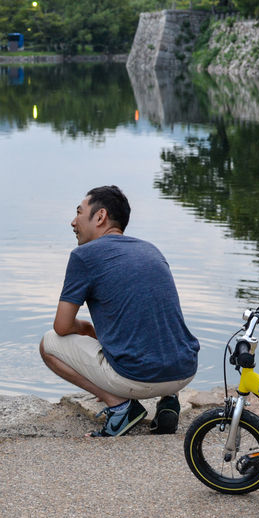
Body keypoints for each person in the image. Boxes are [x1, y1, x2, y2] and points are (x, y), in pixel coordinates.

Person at [39, 185, 199, 437]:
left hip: (136, 379)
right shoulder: (151, 249)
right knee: (156, 324)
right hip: (184, 370)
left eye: (79, 212)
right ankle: (169, 401)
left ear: (100, 216)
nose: (73, 222)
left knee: (48, 344)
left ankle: (121, 407)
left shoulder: (84, 256)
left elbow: (62, 326)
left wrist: (86, 328)